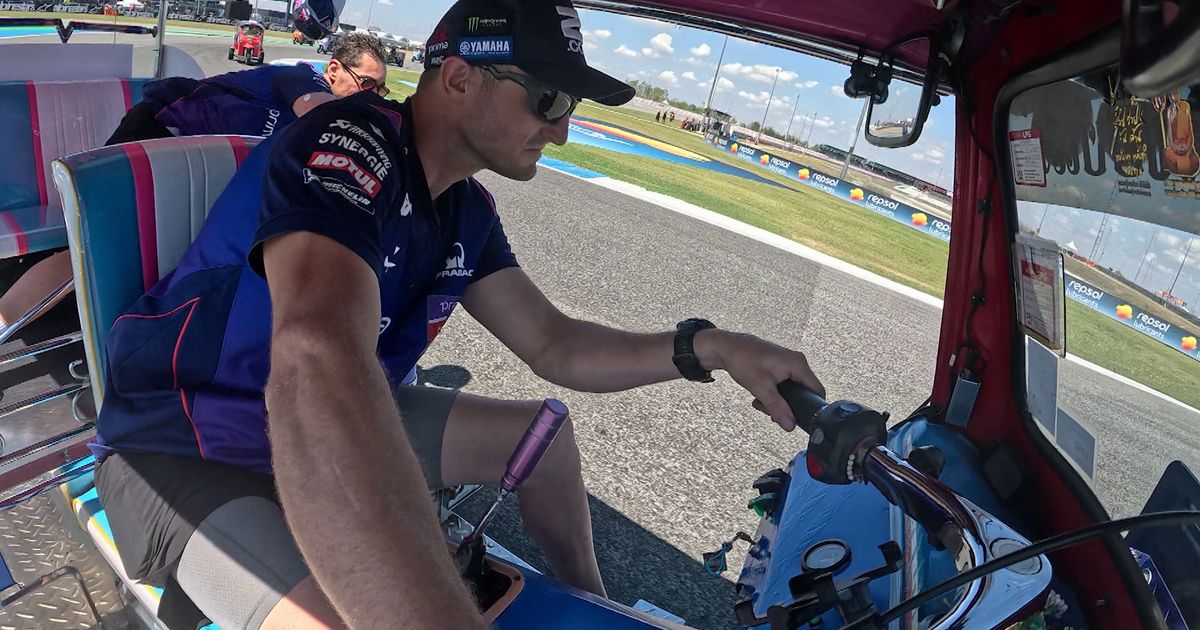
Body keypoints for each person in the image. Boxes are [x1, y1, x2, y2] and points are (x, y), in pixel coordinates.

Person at [90, 0, 826, 627]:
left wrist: (713, 347)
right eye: (549, 99)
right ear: (460, 77)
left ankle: (600, 609)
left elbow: (556, 344)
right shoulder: (350, 140)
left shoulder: (466, 209)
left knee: (545, 441)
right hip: (184, 447)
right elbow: (317, 349)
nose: (561, 130)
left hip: (314, 419)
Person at [0, 33, 390, 345]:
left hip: (188, 168)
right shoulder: (305, 79)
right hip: (153, 137)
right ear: (334, 69)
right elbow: (318, 111)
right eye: (367, 84)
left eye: (381, 91)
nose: (373, 98)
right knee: (87, 253)